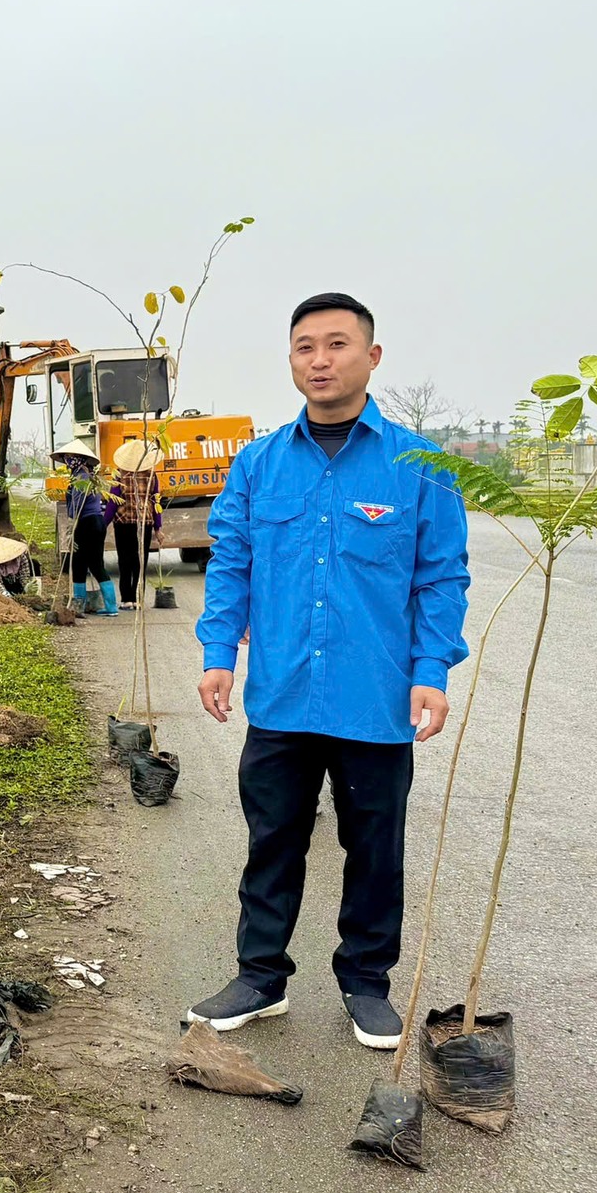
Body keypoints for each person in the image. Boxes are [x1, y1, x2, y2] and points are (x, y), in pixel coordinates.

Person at [190, 293, 470, 1050]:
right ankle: (259, 977)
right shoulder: (258, 464)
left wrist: (431, 670)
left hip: (375, 698)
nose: (320, 360)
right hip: (281, 696)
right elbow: (232, 564)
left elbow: (441, 579)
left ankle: (366, 983)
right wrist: (219, 655)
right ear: (291, 360)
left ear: (371, 357)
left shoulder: (421, 468)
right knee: (272, 840)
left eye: (337, 344)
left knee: (375, 848)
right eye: (305, 346)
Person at [56, 441, 114, 614]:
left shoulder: (81, 477)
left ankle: (79, 605)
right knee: (95, 563)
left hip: (87, 523)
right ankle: (110, 607)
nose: (67, 460)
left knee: (80, 564)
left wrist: (71, 527)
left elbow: (77, 504)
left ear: (78, 459)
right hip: (96, 522)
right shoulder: (87, 475)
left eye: (70, 457)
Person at [108, 439, 164, 610]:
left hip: (123, 523)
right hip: (145, 523)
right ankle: (138, 600)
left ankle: (127, 600)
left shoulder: (119, 474)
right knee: (140, 561)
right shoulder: (151, 475)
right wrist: (158, 528)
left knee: (124, 561)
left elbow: (113, 502)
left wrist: (103, 523)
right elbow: (156, 501)